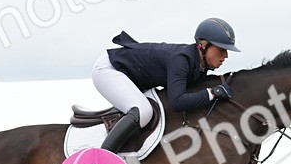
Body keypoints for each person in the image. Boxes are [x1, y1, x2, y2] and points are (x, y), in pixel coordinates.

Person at [90, 18, 239, 155]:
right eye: (221, 49)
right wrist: (212, 92)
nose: (225, 56)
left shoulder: (198, 65)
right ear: (203, 45)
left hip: (130, 76)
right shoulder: (181, 60)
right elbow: (177, 102)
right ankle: (101, 159)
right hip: (108, 70)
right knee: (143, 111)